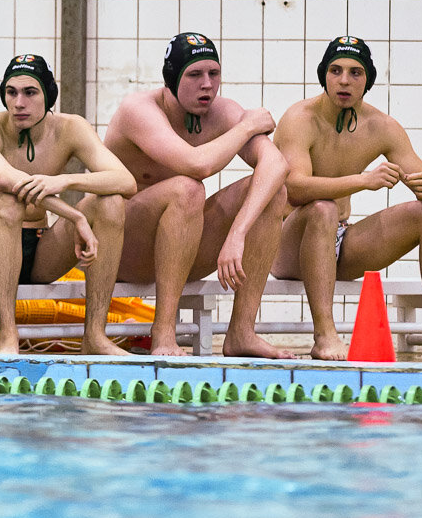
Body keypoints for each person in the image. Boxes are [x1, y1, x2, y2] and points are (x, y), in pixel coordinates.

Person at [272, 36, 422, 360]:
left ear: (368, 80)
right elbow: (295, 189)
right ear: (323, 74)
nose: (344, 80)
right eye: (336, 70)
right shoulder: (300, 119)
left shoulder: (382, 126)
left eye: (356, 73)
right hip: (288, 243)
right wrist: (363, 181)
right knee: (322, 209)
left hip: (339, 241)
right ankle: (325, 335)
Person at [103, 32, 292, 358]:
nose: (207, 84)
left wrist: (238, 233)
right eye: (194, 75)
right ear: (172, 78)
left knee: (272, 192)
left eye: (213, 74)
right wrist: (246, 127)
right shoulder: (139, 110)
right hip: (123, 250)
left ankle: (242, 333)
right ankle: (163, 333)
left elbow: (276, 164)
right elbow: (197, 165)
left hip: (182, 248)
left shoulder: (223, 112)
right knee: (188, 188)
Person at [0, 54, 135, 355]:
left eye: (30, 93)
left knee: (111, 203)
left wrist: (66, 181)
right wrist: (74, 216)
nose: (18, 103)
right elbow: (4, 180)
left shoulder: (70, 128)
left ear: (48, 96)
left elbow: (125, 181)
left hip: (41, 250)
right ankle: (7, 336)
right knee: (8, 203)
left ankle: (95, 335)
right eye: (11, 92)